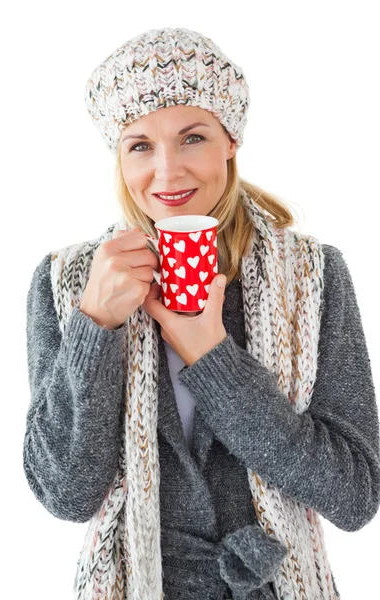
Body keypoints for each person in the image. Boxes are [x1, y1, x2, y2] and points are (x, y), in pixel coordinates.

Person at [23, 27, 380, 600]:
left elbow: (355, 495)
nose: (167, 172)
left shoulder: (313, 277)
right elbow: (67, 493)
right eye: (140, 145)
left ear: (230, 141)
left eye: (192, 137)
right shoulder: (67, 283)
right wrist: (96, 328)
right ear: (119, 154)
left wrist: (212, 356)